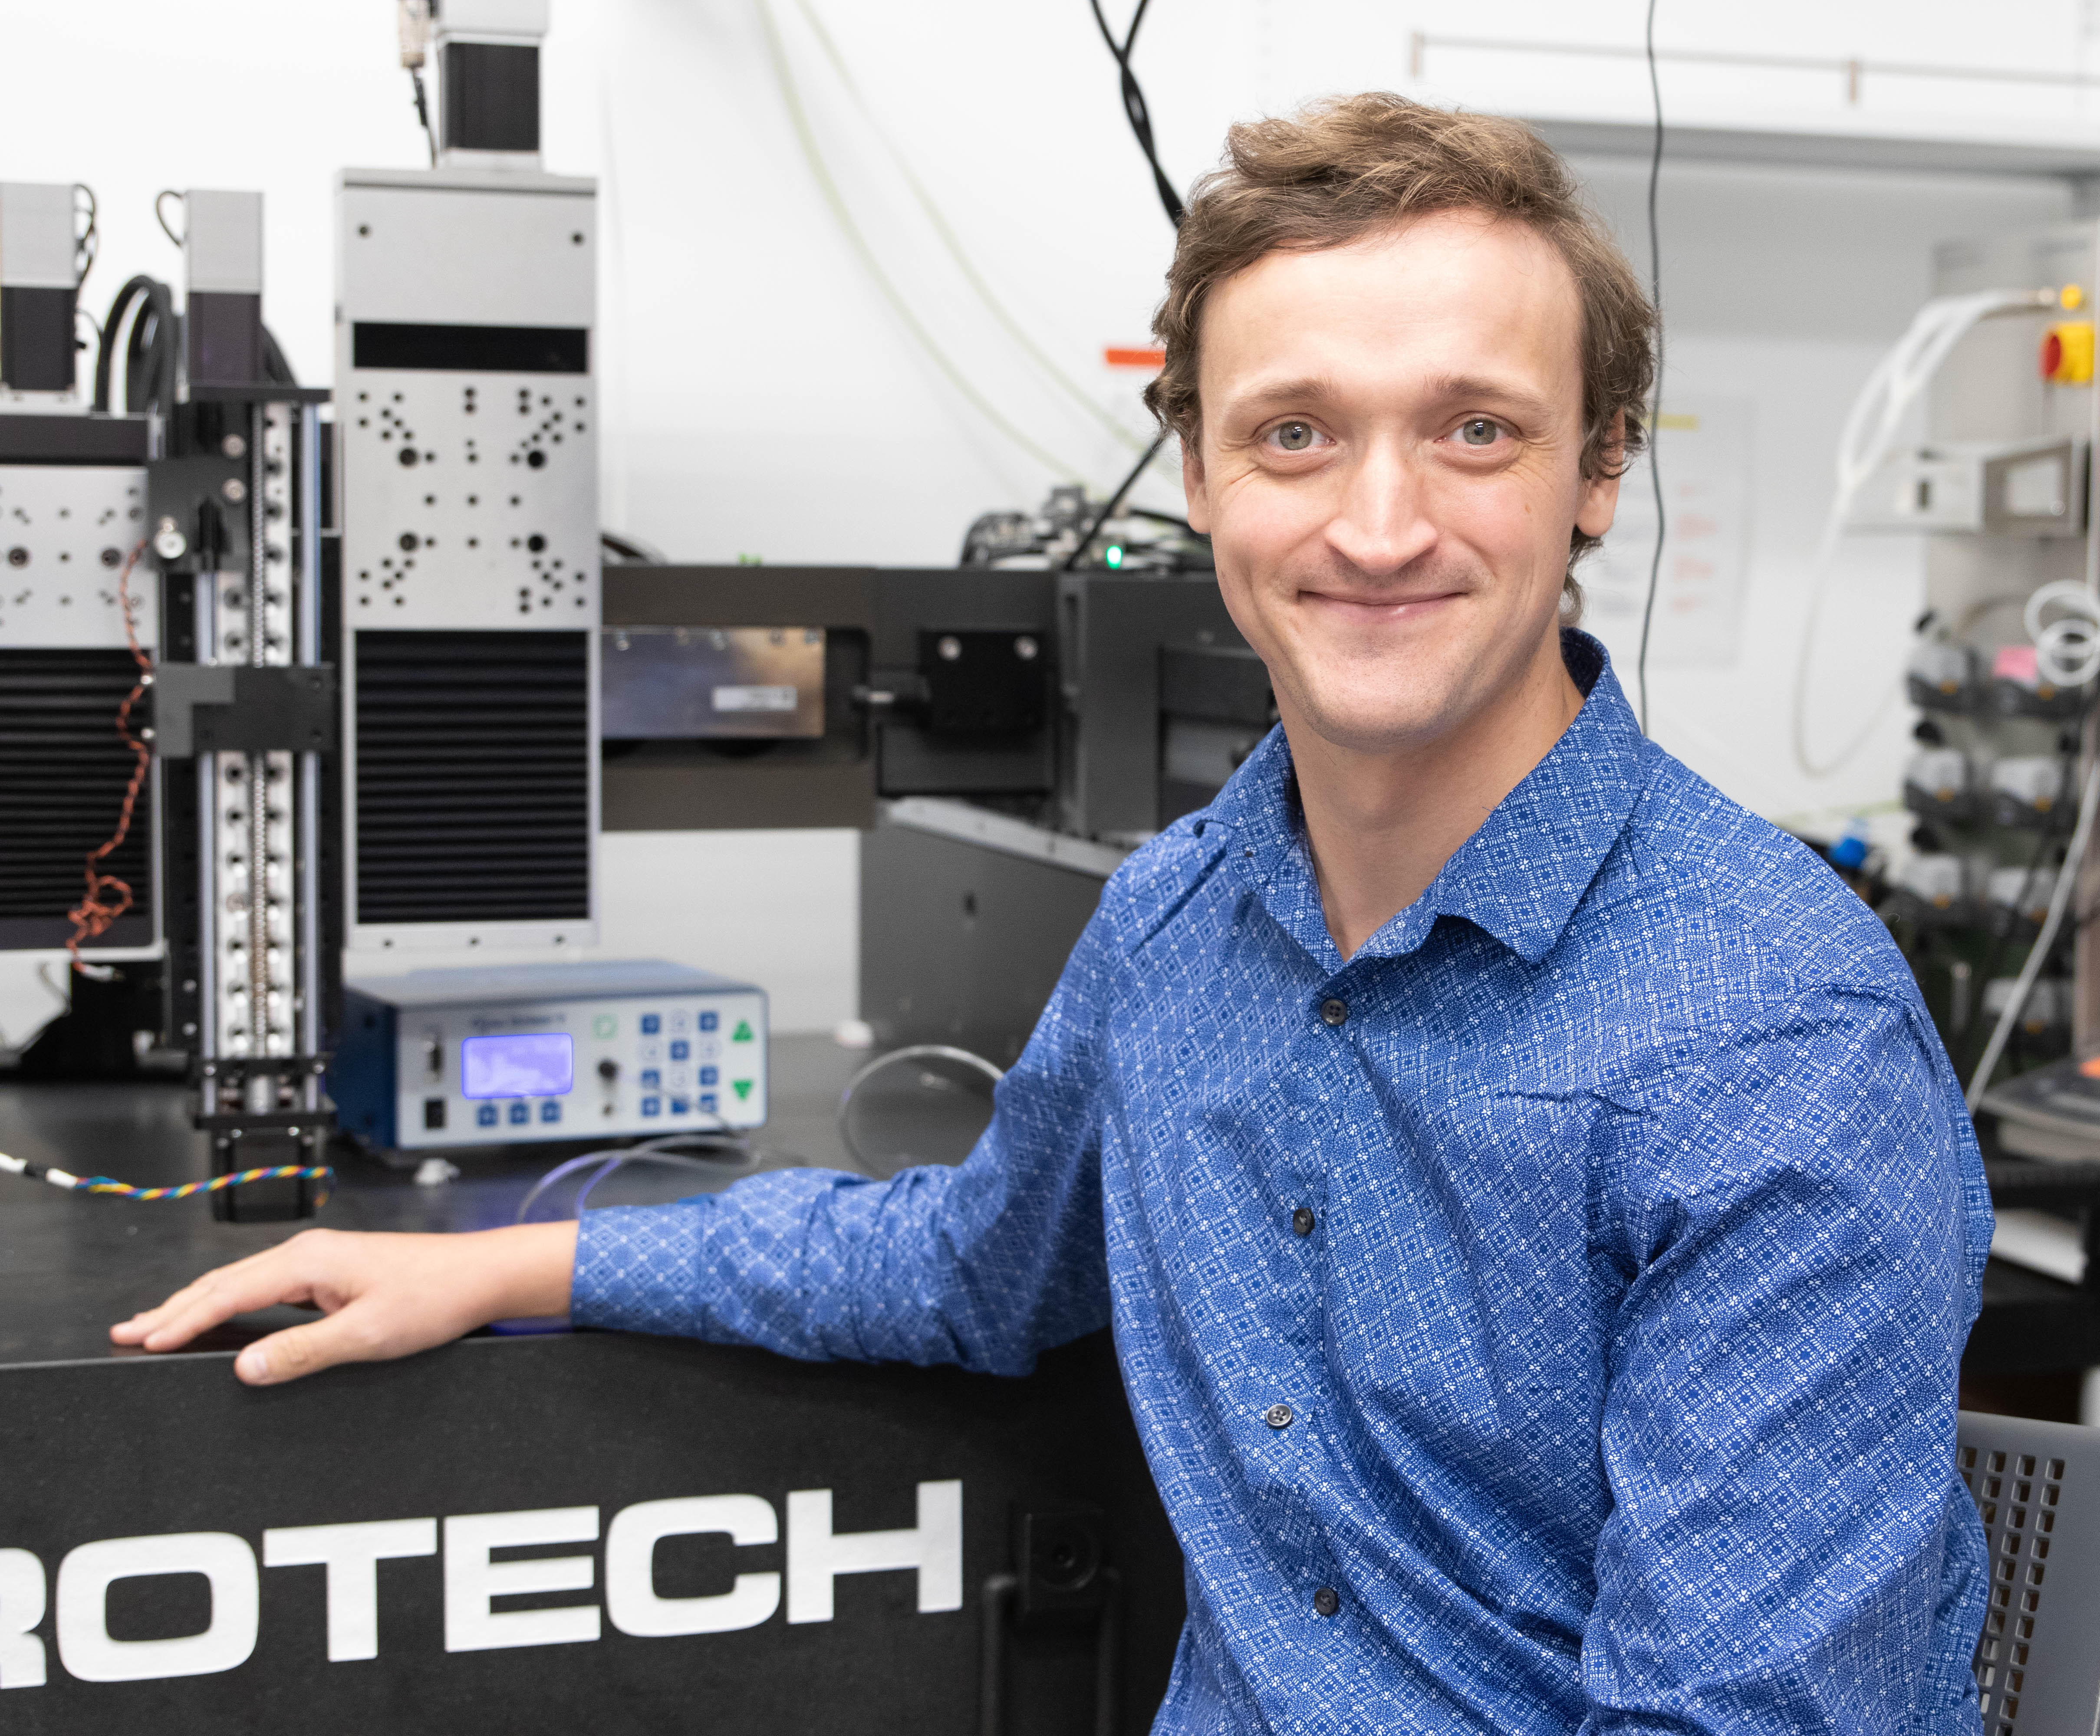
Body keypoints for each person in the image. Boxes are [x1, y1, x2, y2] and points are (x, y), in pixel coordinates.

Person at [116, 95, 1992, 1732]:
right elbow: (964, 1264)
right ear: (1199, 474)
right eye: (1297, 435)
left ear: (1598, 472)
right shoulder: (1185, 925)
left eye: (1478, 431)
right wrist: (511, 1267)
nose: (1381, 522)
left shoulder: (1768, 1035)